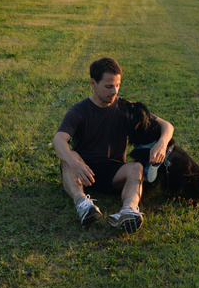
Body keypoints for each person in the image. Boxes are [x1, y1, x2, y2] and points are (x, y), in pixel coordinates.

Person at [52, 57, 174, 233]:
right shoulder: (78, 111)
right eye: (109, 86)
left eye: (117, 85)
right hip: (83, 173)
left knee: (136, 168)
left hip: (114, 172)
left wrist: (162, 144)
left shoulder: (124, 108)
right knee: (68, 157)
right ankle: (83, 205)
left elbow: (167, 125)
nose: (114, 91)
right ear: (93, 83)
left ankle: (129, 211)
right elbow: (58, 140)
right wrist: (75, 163)